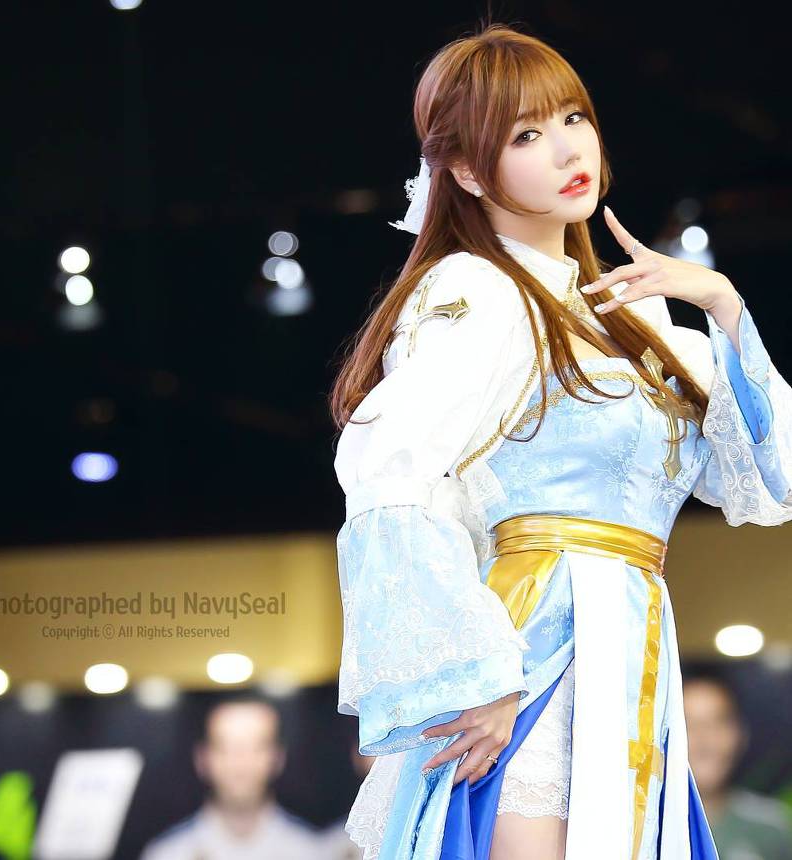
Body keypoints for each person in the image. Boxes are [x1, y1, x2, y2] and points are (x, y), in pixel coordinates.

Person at [327, 22, 792, 860]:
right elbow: (388, 474)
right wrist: (475, 677)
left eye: (573, 118)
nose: (568, 148)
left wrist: (724, 305)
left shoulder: (633, 315)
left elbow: (767, 476)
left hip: (630, 645)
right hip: (535, 651)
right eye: (526, 135)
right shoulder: (477, 290)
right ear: (468, 171)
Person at [139, 696, 323, 860]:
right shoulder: (167, 854)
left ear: (277, 757)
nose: (240, 762)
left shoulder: (311, 852)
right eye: (225, 747)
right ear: (202, 758)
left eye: (255, 747)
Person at [684, 673, 792, 859]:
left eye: (718, 722)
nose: (704, 739)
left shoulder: (770, 829)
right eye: (688, 724)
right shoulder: (645, 825)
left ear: (740, 734)